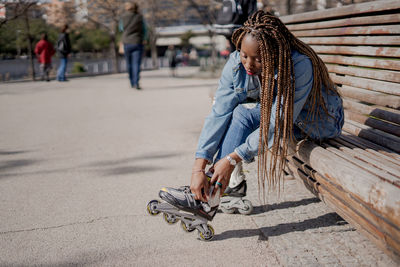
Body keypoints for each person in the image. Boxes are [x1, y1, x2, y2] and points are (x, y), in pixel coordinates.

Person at [159, 11, 344, 218]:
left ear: (274, 54)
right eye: (245, 55)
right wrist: (198, 168)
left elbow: (278, 122)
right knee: (239, 113)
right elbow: (219, 113)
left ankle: (209, 195)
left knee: (244, 121)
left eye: (258, 59)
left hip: (317, 123)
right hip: (281, 117)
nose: (248, 64)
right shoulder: (237, 64)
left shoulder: (299, 65)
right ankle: (208, 196)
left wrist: (231, 159)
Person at [121, 2, 144, 89]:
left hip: (126, 42)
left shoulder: (123, 17)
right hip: (137, 42)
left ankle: (131, 82)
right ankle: (136, 82)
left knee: (129, 63)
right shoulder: (139, 17)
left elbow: (121, 28)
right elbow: (143, 29)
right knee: (136, 63)